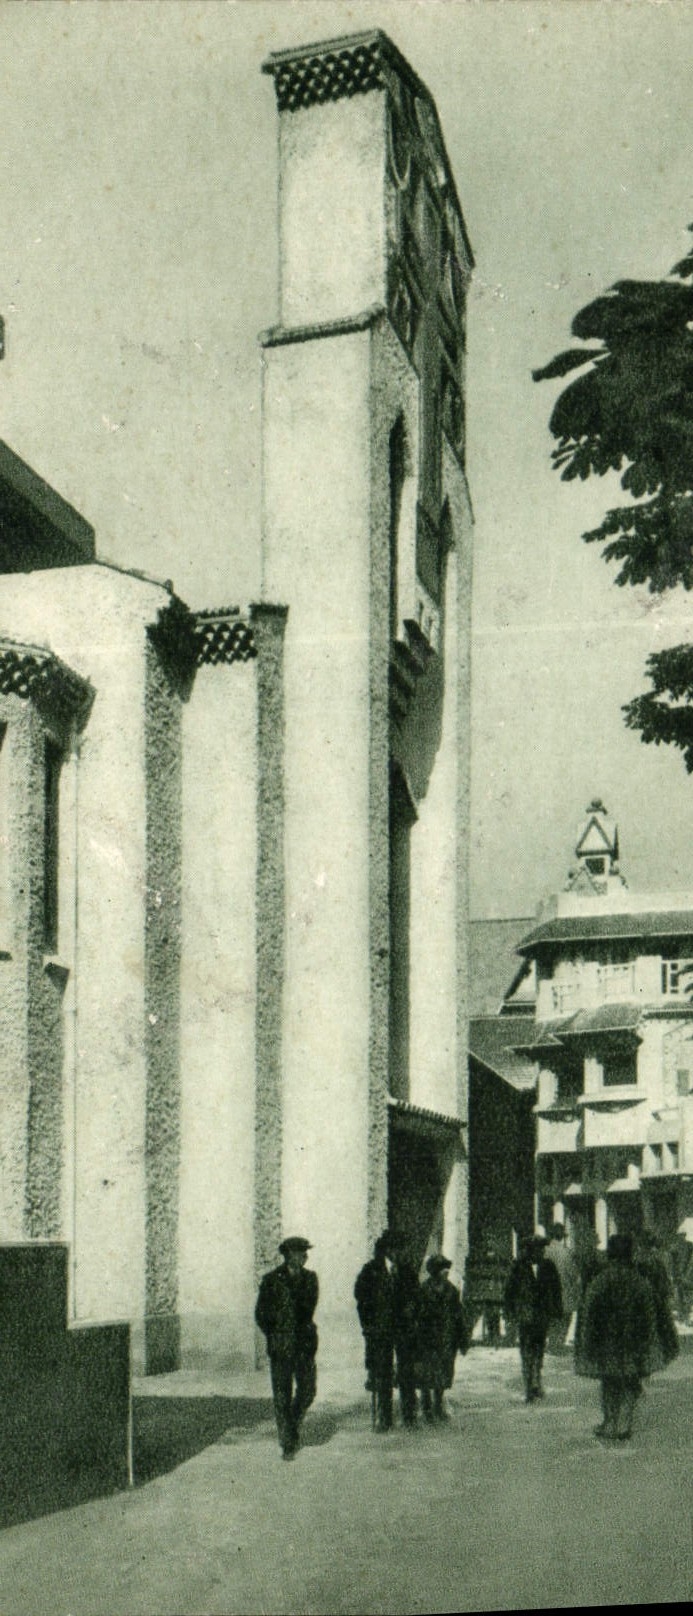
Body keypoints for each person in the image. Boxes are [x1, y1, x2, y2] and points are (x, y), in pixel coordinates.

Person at [576, 1232, 677, 1443]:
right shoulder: (639, 1281)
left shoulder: (600, 1281)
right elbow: (650, 1315)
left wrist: (588, 1342)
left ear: (610, 1254)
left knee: (609, 1383)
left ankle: (610, 1422)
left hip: (606, 1343)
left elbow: (588, 1313)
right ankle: (624, 1423)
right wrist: (651, 1342)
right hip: (634, 1342)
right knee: (630, 1382)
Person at [255, 1236, 319, 1460]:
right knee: (282, 1395)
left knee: (308, 1391)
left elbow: (308, 1308)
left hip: (304, 1345)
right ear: (288, 1254)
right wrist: (274, 1334)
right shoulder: (271, 1280)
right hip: (281, 1346)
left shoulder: (311, 1278)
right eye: (300, 1252)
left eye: (305, 1252)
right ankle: (288, 1443)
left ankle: (290, 1425)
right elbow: (261, 1314)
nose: (304, 1256)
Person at [354, 1230, 420, 1431]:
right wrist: (368, 1325)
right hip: (380, 1331)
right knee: (382, 1372)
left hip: (403, 1329)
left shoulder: (407, 1271)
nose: (401, 1253)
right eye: (398, 1249)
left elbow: (417, 1297)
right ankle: (384, 1418)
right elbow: (361, 1299)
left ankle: (409, 1416)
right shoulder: (371, 1270)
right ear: (388, 1250)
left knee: (406, 1371)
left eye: (402, 1249)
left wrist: (412, 1309)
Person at [503, 1234, 562, 1403]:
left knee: (539, 1349)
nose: (542, 1252)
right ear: (530, 1251)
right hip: (525, 1316)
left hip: (542, 1315)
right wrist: (509, 1313)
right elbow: (509, 1291)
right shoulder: (518, 1267)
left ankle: (537, 1380)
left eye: (543, 1249)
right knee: (526, 1350)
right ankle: (529, 1386)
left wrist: (557, 1311)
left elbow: (556, 1289)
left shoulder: (549, 1266)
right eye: (538, 1249)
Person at [417, 1255, 469, 1422]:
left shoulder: (451, 1291)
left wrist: (463, 1340)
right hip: (428, 1339)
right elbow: (417, 1317)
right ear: (434, 1272)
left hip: (446, 1339)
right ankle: (426, 1409)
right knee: (427, 1374)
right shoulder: (423, 1290)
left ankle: (438, 1406)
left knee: (443, 1372)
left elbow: (459, 1317)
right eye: (441, 1269)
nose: (445, 1272)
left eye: (446, 1269)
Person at [545, 1222, 581, 1350]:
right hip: (563, 1290)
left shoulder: (544, 1251)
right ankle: (558, 1343)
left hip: (547, 1291)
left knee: (551, 1319)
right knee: (564, 1318)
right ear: (562, 1237)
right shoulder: (566, 1253)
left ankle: (552, 1342)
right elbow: (573, 1274)